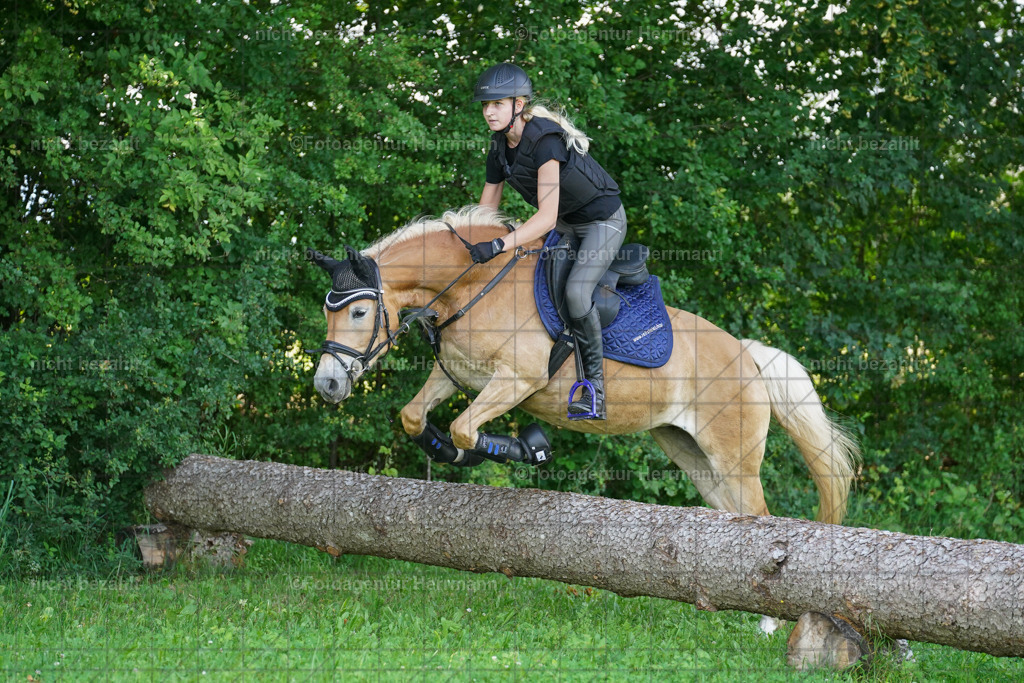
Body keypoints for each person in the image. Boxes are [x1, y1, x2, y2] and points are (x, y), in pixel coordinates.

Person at [469, 63, 625, 421]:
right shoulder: (498, 146)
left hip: (602, 223)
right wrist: (471, 245)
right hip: (569, 226)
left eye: (497, 104)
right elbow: (484, 212)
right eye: (485, 105)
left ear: (519, 105)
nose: (488, 111)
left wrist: (498, 244)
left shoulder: (545, 141)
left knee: (576, 293)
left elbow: (545, 218)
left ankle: (594, 389)